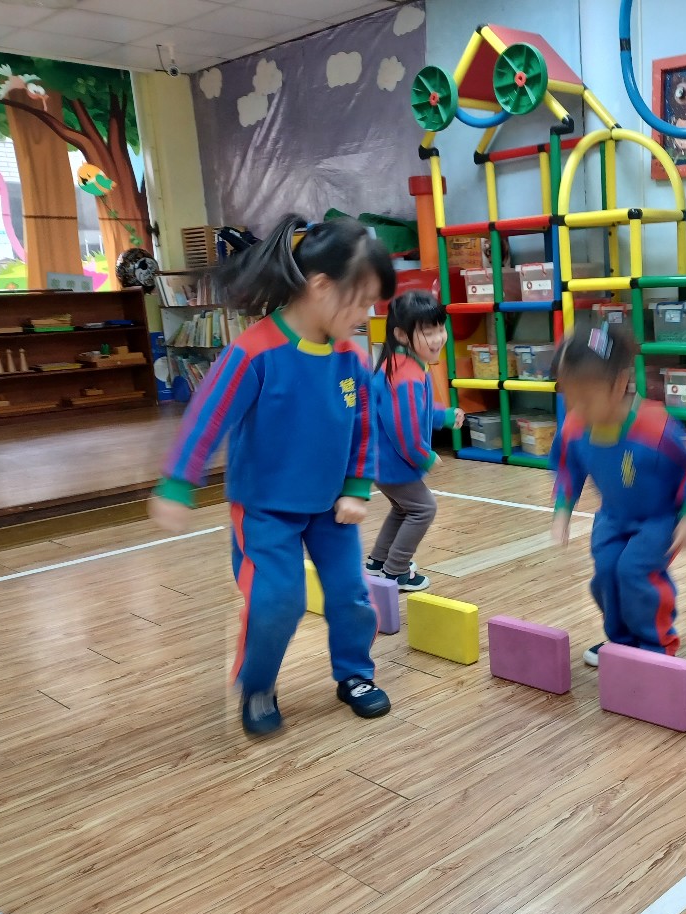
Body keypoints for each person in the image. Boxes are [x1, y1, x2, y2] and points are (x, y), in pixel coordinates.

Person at [149, 214, 396, 736]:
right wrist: (178, 481)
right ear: (321, 287)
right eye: (362, 302)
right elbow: (208, 416)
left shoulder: (350, 357)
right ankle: (258, 684)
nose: (367, 316)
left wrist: (357, 486)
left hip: (331, 508)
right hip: (265, 508)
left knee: (351, 595)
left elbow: (364, 426)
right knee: (277, 600)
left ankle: (355, 674)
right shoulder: (254, 352)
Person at [550, 322, 686, 666]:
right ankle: (621, 642)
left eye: (586, 398)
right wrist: (562, 510)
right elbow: (568, 470)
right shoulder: (575, 427)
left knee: (634, 572)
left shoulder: (655, 427)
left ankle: (656, 644)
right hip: (613, 517)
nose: (576, 407)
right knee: (606, 572)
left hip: (658, 520)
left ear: (619, 384)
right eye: (569, 396)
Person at [366, 290, 464, 591]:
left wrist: (444, 416)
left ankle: (378, 561)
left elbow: (416, 412)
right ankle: (396, 571)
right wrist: (423, 454)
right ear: (401, 335)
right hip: (393, 462)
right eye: (428, 332)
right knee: (423, 509)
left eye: (440, 329)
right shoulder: (405, 375)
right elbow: (402, 427)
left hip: (382, 460)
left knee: (403, 508)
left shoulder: (403, 365)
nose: (438, 338)